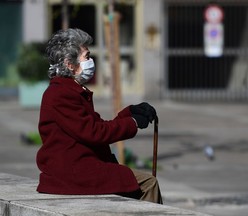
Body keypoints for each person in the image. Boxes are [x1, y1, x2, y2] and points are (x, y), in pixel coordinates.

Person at [36, 28, 162, 204]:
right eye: (86, 56)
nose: (90, 61)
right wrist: (133, 123)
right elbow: (94, 133)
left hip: (78, 168)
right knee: (148, 183)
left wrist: (130, 112)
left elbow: (96, 126)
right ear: (69, 64)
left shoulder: (68, 90)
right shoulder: (61, 94)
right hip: (74, 172)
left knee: (130, 181)